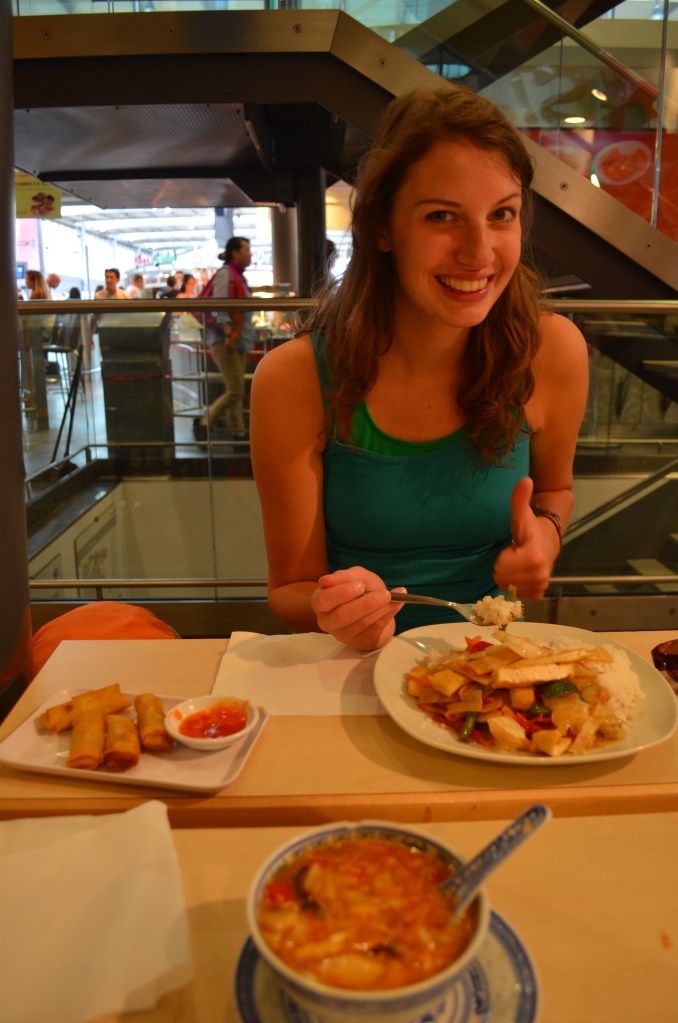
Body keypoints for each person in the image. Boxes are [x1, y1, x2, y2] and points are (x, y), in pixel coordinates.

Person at [250, 83, 589, 652]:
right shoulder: (296, 378)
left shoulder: (551, 350)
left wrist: (546, 540)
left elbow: (555, 490)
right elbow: (289, 588)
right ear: (383, 229)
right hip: (352, 674)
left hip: (495, 672)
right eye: (442, 217)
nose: (479, 252)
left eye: (501, 214)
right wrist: (329, 608)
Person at [193, 237, 256, 441]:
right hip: (225, 339)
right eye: (246, 250)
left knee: (236, 388)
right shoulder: (227, 274)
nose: (250, 254)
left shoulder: (237, 275)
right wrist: (229, 333)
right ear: (235, 252)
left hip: (237, 339)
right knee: (236, 390)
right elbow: (220, 305)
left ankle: (237, 431)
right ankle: (205, 421)